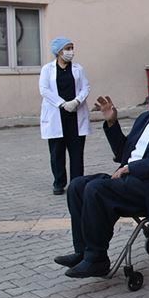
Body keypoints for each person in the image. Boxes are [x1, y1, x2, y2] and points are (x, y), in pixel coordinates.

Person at [54, 75, 149, 278]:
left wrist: (131, 168)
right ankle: (82, 252)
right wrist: (112, 122)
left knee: (96, 190)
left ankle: (97, 259)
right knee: (77, 185)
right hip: (131, 179)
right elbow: (123, 153)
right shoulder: (145, 118)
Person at [39, 37, 92, 195]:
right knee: (57, 152)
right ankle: (59, 182)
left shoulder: (78, 69)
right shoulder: (47, 69)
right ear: (58, 51)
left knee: (77, 153)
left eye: (72, 48)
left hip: (75, 115)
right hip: (57, 115)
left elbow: (85, 87)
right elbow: (44, 89)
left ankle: (76, 183)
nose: (71, 52)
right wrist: (62, 103)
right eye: (67, 48)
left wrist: (76, 101)